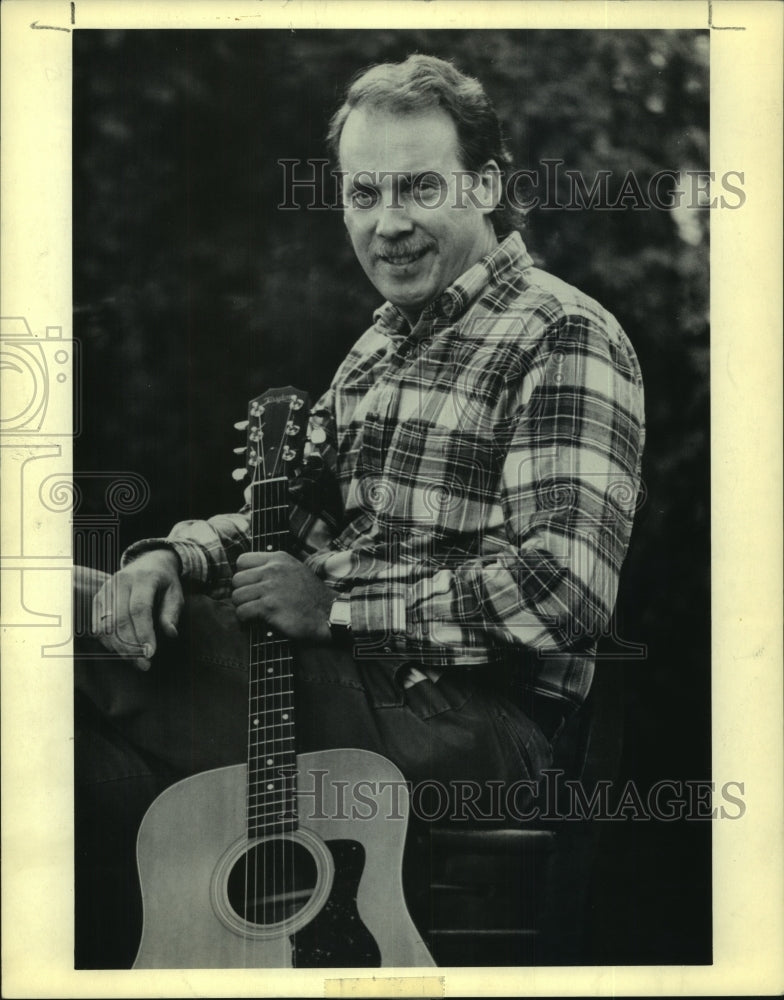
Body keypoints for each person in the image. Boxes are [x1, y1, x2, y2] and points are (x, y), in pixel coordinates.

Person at [74, 54, 645, 968]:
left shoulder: (560, 331)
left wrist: (334, 610)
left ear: (486, 184)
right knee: (73, 716)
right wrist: (168, 560)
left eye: (420, 186)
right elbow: (286, 534)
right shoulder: (378, 351)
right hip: (355, 693)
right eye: (364, 192)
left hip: (473, 726)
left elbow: (564, 594)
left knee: (51, 626)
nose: (390, 223)